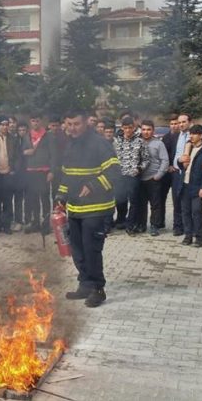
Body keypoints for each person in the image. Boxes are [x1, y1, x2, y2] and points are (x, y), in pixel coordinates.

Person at [55, 110, 120, 308]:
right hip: (75, 208)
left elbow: (115, 171)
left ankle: (98, 289)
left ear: (85, 124)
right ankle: (84, 284)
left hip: (97, 208)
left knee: (91, 250)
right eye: (69, 124)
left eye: (76, 124)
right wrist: (60, 196)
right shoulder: (70, 144)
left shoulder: (99, 143)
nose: (72, 128)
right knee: (78, 250)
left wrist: (93, 185)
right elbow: (67, 175)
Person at [22, 114, 56, 234]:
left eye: (37, 121)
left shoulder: (48, 136)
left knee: (45, 198)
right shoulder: (27, 135)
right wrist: (26, 152)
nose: (35, 123)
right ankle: (35, 222)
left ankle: (46, 224)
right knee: (33, 198)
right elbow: (22, 151)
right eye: (33, 121)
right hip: (31, 171)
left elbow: (53, 155)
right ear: (30, 122)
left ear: (40, 121)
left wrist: (52, 171)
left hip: (44, 171)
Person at [179, 125, 202, 247]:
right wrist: (180, 161)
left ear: (201, 136)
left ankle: (199, 238)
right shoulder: (189, 147)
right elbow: (182, 161)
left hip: (197, 185)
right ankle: (188, 236)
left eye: (194, 134)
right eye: (190, 134)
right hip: (185, 184)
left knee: (197, 212)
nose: (191, 136)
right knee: (186, 211)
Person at [113, 117, 149, 233]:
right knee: (120, 200)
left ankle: (131, 225)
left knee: (134, 201)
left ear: (134, 128)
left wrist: (139, 168)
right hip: (120, 175)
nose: (128, 130)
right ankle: (121, 221)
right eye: (125, 128)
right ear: (122, 128)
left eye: (130, 128)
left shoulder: (140, 142)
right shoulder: (117, 142)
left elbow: (146, 159)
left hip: (133, 175)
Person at [138, 120, 169, 236]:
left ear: (153, 131)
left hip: (153, 179)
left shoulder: (159, 144)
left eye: (149, 129)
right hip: (140, 178)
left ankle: (154, 226)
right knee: (141, 204)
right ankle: (141, 225)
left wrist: (158, 175)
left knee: (155, 204)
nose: (146, 132)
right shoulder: (137, 142)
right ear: (141, 130)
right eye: (144, 129)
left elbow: (165, 160)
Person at [0, 116, 19, 234]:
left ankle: (7, 226)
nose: (5, 127)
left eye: (6, 124)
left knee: (8, 201)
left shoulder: (13, 139)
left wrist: (14, 170)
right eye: (2, 124)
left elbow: (17, 157)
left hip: (9, 174)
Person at [171, 114, 192, 236]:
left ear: (189, 122)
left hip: (188, 173)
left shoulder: (193, 135)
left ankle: (189, 227)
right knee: (176, 201)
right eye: (179, 122)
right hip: (176, 173)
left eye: (184, 122)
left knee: (187, 202)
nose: (181, 124)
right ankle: (177, 226)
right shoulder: (176, 136)